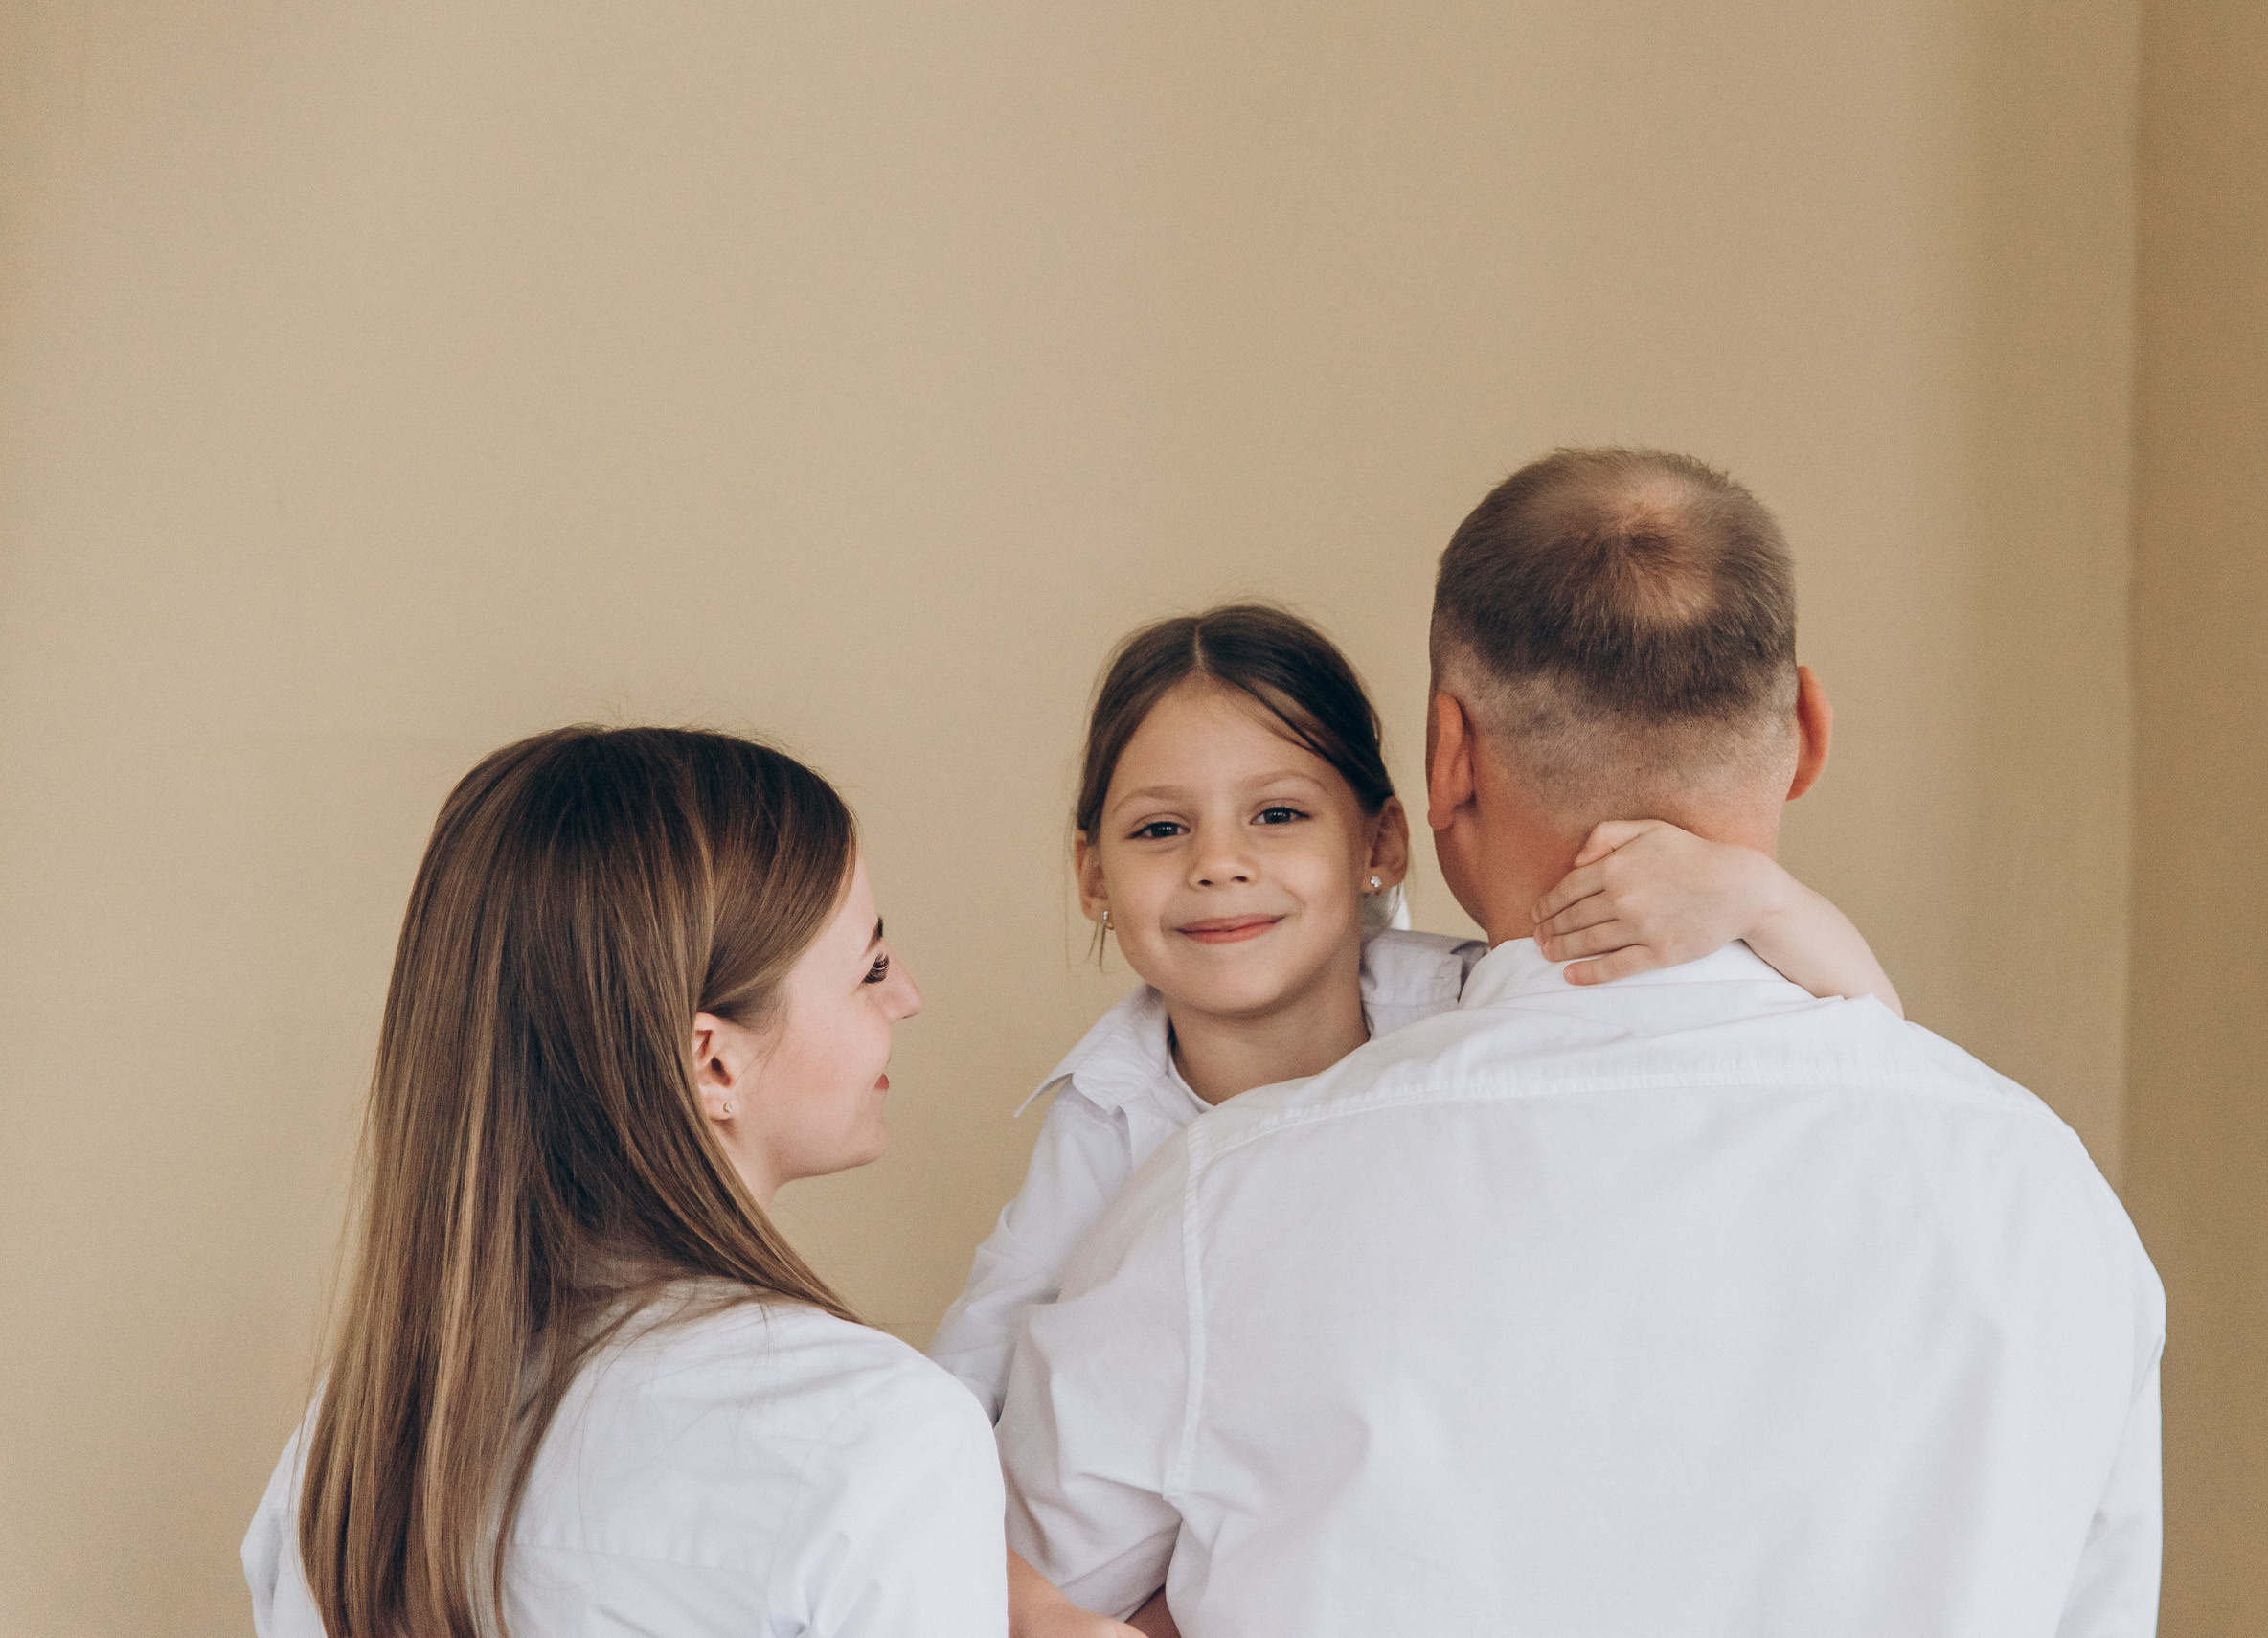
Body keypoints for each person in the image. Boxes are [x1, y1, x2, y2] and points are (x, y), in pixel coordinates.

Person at [996, 451, 2165, 1636]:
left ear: (1445, 760)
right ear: (1807, 730)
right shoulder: (2044, 1196)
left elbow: (963, 1586)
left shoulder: (1219, 1205)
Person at [943, 603, 1900, 1636]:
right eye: (1160, 829)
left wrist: (1760, 896)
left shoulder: (1478, 1007)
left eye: (1277, 815)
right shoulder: (1102, 1120)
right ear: (1093, 875)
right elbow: (960, 1400)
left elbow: (1868, 1034)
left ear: (1383, 843)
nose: (1218, 863)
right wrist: (1048, 1612)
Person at [242, 728, 1007, 1638]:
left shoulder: (354, 1444)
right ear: (712, 1063)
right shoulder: (881, 1435)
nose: (907, 995)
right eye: (871, 967)